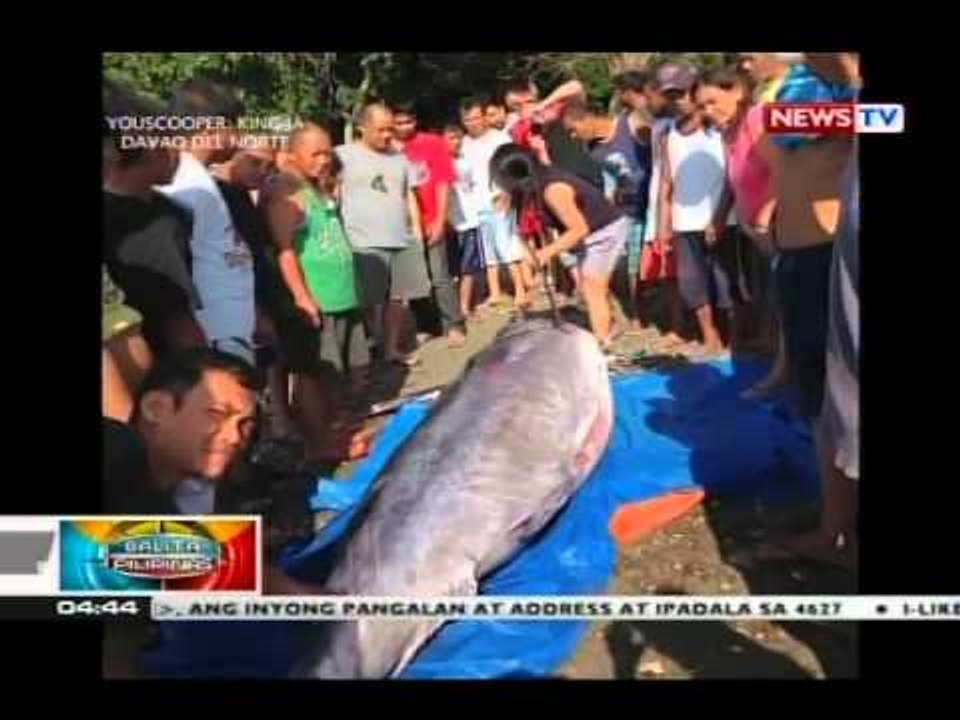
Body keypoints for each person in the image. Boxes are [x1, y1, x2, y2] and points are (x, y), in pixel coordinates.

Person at [753, 54, 860, 568]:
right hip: (799, 254)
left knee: (838, 398)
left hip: (831, 253)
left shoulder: (850, 98)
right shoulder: (801, 93)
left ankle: (837, 531)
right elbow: (781, 148)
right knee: (819, 393)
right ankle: (835, 524)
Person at [267, 123, 373, 462]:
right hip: (318, 299)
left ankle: (334, 428)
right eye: (315, 153)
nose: (324, 159)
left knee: (337, 371)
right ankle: (321, 442)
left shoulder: (316, 189)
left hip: (342, 295)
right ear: (292, 155)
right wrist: (302, 297)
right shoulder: (285, 195)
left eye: (328, 151)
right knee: (316, 373)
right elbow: (285, 251)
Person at [103, 82, 206, 360]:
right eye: (170, 141)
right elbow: (176, 320)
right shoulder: (152, 224)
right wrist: (205, 375)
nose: (178, 153)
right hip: (157, 370)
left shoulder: (169, 210)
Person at [158, 79, 257, 366]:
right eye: (234, 125)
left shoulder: (196, 175)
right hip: (211, 337)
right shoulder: (181, 182)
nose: (239, 135)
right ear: (213, 130)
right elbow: (175, 266)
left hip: (228, 331)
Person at [491, 144, 628, 345]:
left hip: (604, 230)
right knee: (588, 286)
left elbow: (579, 229)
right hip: (589, 231)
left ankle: (602, 343)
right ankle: (609, 325)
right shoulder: (535, 179)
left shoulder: (553, 189)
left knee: (591, 287)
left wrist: (545, 253)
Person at [694, 67, 781, 372]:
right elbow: (732, 181)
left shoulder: (757, 119)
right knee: (766, 294)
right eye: (701, 106)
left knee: (783, 297)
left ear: (737, 92)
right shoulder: (727, 132)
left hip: (777, 225)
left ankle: (786, 367)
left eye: (712, 101)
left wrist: (766, 216)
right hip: (753, 228)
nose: (708, 111)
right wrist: (718, 217)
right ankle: (776, 359)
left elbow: (782, 170)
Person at [336, 102, 432, 367]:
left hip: (401, 238)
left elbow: (408, 194)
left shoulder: (400, 157)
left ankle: (390, 349)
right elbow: (333, 194)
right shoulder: (343, 156)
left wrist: (417, 230)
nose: (387, 135)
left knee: (400, 299)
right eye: (380, 130)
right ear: (362, 128)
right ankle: (373, 342)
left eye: (390, 130)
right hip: (362, 241)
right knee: (369, 300)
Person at [657, 69, 738, 356]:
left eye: (681, 93)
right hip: (683, 222)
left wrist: (718, 217)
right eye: (670, 95)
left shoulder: (722, 130)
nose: (677, 101)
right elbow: (666, 182)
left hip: (723, 221)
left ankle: (735, 339)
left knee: (726, 282)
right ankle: (709, 336)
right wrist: (661, 227)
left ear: (695, 92)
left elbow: (732, 177)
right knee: (693, 283)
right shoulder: (669, 133)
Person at [562, 98, 652, 336]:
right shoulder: (592, 149)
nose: (573, 136)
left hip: (654, 205)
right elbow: (609, 179)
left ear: (587, 118)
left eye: (573, 129)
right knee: (626, 268)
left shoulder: (629, 125)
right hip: (628, 210)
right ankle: (635, 315)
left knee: (653, 267)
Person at [391, 101, 467, 348]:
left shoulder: (432, 144)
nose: (404, 127)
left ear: (416, 120)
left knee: (440, 275)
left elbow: (444, 182)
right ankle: (426, 325)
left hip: (431, 218)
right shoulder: (387, 149)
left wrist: (439, 218)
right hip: (402, 225)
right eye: (398, 122)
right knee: (415, 278)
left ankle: (453, 324)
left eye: (408, 121)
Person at [460, 97, 529, 311]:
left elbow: (513, 168)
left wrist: (508, 193)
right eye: (468, 119)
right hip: (474, 204)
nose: (473, 123)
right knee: (487, 250)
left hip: (499, 198)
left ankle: (519, 290)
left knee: (506, 245)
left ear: (484, 117)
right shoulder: (464, 143)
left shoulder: (500, 139)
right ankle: (495, 291)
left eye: (477, 118)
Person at [443, 122, 487, 318]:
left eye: (459, 137)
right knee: (451, 270)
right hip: (450, 222)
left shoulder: (466, 161)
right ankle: (452, 309)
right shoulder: (439, 163)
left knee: (469, 268)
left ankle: (464, 307)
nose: (456, 142)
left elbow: (474, 187)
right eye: (451, 138)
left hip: (470, 220)